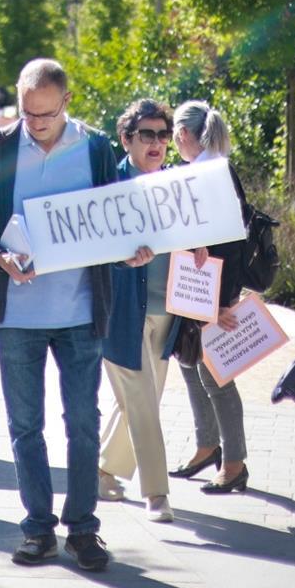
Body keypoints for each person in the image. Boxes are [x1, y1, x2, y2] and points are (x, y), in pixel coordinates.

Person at [0, 58, 129, 572]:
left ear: (66, 103)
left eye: (45, 115)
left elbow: (119, 219)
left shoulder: (97, 148)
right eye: (27, 113)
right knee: (25, 426)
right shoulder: (2, 147)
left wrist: (133, 249)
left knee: (82, 424)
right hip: (17, 319)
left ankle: (83, 529)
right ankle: (37, 529)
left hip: (81, 313)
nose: (34, 124)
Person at [96, 99, 179, 522]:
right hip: (121, 311)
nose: (158, 143)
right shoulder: (109, 186)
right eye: (147, 134)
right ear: (127, 139)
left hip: (168, 309)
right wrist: (120, 259)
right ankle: (156, 493)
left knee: (139, 401)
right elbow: (90, 250)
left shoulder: (180, 186)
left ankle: (103, 469)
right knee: (142, 400)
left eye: (164, 135)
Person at [167, 100, 252, 494]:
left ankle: (233, 463)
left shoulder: (211, 173)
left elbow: (233, 243)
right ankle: (207, 447)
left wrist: (222, 302)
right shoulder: (206, 169)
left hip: (212, 291)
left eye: (172, 136)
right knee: (189, 360)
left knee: (214, 374)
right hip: (200, 288)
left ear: (183, 135)